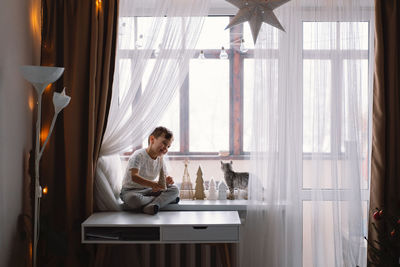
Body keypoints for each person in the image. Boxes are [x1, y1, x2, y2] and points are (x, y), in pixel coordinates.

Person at [120, 126, 180, 215]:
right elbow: (134, 177)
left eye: (168, 146)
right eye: (164, 143)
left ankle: (152, 205)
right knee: (133, 200)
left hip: (149, 190)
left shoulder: (160, 159)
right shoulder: (138, 155)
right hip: (131, 191)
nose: (165, 148)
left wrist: (167, 180)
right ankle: (161, 201)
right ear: (152, 139)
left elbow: (163, 179)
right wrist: (153, 184)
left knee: (175, 189)